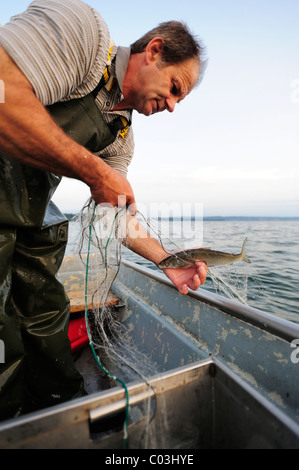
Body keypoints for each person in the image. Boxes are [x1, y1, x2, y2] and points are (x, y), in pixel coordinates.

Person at [0, 0, 208, 420]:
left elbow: (115, 214)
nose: (172, 106)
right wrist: (94, 171)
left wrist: (167, 259)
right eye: (174, 89)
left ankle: (55, 418)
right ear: (154, 50)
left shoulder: (120, 139)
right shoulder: (85, 35)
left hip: (24, 213)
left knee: (46, 315)